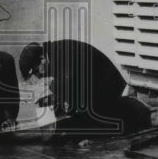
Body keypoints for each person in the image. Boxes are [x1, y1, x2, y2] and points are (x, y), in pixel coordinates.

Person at [19, 39, 150, 138]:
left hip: (107, 86)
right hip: (93, 84)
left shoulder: (61, 53)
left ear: (42, 59)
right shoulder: (53, 53)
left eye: (37, 72)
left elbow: (70, 88)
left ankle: (131, 112)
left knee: (83, 126)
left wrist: (62, 107)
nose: (40, 76)